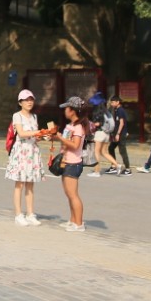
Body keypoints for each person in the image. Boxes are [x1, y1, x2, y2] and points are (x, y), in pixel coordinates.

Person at [4, 89, 50, 225]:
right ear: (20, 102)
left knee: (30, 184)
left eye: (31, 100)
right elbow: (22, 133)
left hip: (32, 151)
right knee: (19, 184)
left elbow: (35, 137)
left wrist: (43, 136)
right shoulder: (17, 116)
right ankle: (18, 214)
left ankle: (30, 213)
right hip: (21, 152)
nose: (29, 102)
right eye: (26, 100)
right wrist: (38, 131)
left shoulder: (34, 117)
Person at [58, 96, 89, 231]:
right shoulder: (70, 126)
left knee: (73, 194)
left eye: (67, 108)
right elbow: (66, 141)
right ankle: (73, 220)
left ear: (72, 111)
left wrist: (60, 137)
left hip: (73, 162)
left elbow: (75, 145)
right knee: (68, 194)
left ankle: (79, 224)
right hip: (66, 161)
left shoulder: (78, 127)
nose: (65, 110)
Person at [89, 96, 120, 177]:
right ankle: (117, 165)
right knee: (104, 152)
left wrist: (92, 124)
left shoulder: (97, 112)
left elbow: (98, 124)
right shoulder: (107, 112)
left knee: (96, 152)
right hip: (107, 134)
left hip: (100, 133)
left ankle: (97, 172)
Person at [106, 96, 132, 175]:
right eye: (111, 102)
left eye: (113, 102)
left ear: (118, 102)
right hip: (117, 134)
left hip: (121, 134)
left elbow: (122, 123)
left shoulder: (120, 110)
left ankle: (128, 169)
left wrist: (118, 134)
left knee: (122, 151)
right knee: (111, 148)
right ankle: (113, 166)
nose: (111, 104)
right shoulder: (116, 110)